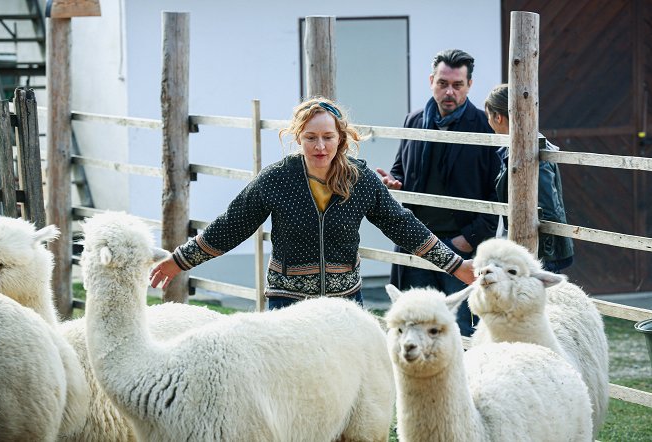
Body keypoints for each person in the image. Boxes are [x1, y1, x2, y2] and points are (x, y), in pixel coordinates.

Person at [150, 97, 475, 309]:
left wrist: (456, 266)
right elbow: (230, 226)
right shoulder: (277, 179)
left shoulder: (360, 180)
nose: (320, 146)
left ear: (340, 138)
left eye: (327, 137)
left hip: (344, 305)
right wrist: (179, 261)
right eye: (310, 137)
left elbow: (403, 226)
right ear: (298, 137)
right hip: (288, 304)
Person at [376, 48, 500, 336]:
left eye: (457, 85)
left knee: (464, 331)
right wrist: (394, 183)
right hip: (417, 242)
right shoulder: (414, 120)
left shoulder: (486, 126)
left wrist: (466, 240)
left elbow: (498, 195)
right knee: (413, 328)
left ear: (469, 85)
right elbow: (400, 170)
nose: (449, 92)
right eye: (443, 83)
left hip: (463, 248)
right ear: (431, 80)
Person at [484, 84, 574, 272]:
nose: (489, 123)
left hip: (541, 254)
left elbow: (548, 208)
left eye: (488, 117)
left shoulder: (532, 150)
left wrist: (539, 258)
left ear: (498, 117)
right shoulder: (515, 149)